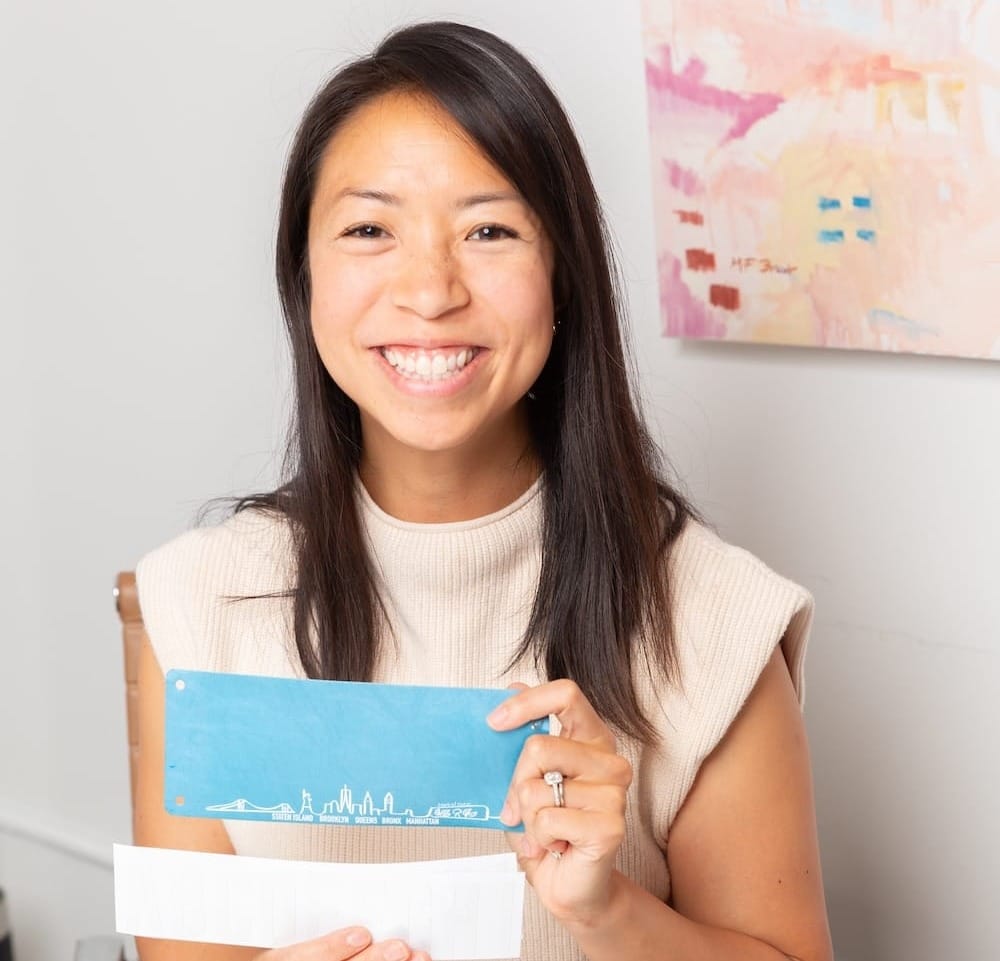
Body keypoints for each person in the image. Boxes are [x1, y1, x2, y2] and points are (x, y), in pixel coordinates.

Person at [133, 20, 834, 961]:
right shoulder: (200, 601)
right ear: (304, 278)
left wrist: (607, 907)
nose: (430, 290)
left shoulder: (712, 616)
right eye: (370, 228)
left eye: (490, 230)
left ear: (563, 277)